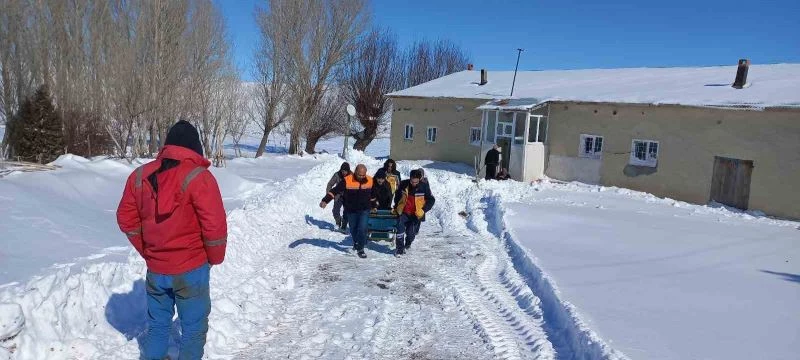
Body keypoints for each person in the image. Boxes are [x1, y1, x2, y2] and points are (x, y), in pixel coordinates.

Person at [116, 120, 227, 360]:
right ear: (195, 147)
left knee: (158, 326)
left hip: (156, 270)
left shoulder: (138, 177)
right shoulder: (201, 178)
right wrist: (214, 258)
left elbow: (126, 218)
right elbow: (214, 225)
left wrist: (147, 250)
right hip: (192, 268)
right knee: (193, 329)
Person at [320, 164, 375, 258]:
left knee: (362, 228)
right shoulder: (347, 180)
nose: (361, 177)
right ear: (355, 172)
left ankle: (360, 249)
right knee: (353, 229)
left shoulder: (370, 180)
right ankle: (356, 243)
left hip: (364, 209)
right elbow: (335, 190)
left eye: (363, 175)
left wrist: (374, 204)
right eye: (359, 174)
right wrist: (325, 200)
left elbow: (374, 193)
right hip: (351, 209)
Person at [393, 169, 435, 255]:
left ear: (419, 179)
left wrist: (423, 210)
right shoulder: (404, 184)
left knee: (411, 233)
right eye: (412, 181)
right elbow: (397, 196)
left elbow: (431, 200)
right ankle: (399, 249)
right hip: (404, 213)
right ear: (410, 178)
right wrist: (396, 207)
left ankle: (408, 244)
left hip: (415, 215)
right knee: (400, 229)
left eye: (416, 182)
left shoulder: (424, 187)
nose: (413, 184)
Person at [326, 162, 352, 231]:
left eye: (345, 171)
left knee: (346, 212)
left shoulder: (352, 176)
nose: (344, 172)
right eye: (342, 171)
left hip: (348, 196)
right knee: (335, 211)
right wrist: (329, 195)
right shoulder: (337, 175)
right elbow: (330, 184)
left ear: (348, 171)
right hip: (338, 195)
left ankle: (344, 226)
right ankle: (338, 222)